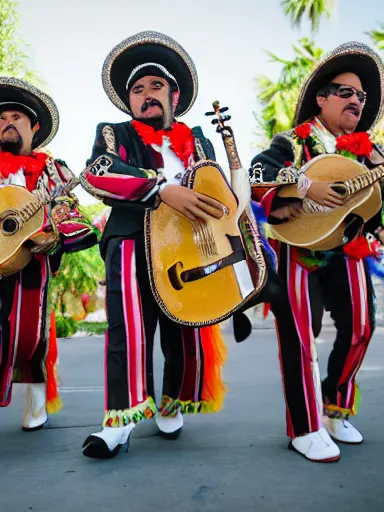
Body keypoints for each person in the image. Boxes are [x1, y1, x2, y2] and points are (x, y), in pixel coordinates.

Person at [80, 31, 257, 458]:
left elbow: (217, 190)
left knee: (185, 326)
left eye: (155, 86)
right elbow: (99, 173)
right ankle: (119, 420)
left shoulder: (197, 139)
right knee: (129, 329)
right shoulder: (114, 131)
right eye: (137, 90)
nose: (146, 96)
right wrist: (160, 188)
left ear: (174, 95)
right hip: (130, 241)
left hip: (188, 249)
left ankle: (174, 400)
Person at [249, 42, 384, 447]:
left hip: (350, 246)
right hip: (301, 247)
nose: (356, 100)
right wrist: (303, 188)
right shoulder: (294, 139)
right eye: (346, 92)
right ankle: (306, 428)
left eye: (361, 96)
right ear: (322, 99)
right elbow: (259, 174)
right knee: (300, 335)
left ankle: (335, 407)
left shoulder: (371, 150)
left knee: (361, 328)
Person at [0, 76, 98, 430]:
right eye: (0, 118)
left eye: (16, 117)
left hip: (30, 265)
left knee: (31, 336)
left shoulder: (53, 170)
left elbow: (69, 209)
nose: (7, 123)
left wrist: (54, 232)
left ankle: (36, 402)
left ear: (34, 127)